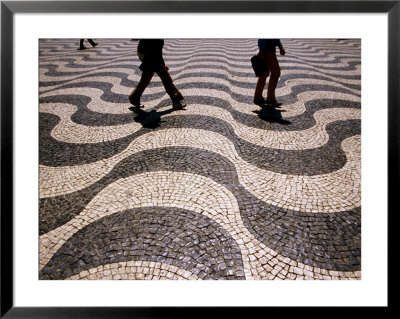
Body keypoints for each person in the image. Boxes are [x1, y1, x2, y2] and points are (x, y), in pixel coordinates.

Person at [128, 39, 186, 109]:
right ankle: (176, 101)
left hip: (156, 61)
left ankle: (134, 98)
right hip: (151, 62)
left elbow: (158, 52)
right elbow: (144, 49)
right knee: (165, 81)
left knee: (164, 81)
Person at [253, 39, 285, 107]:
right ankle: (270, 98)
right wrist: (261, 50)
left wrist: (280, 46)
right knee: (276, 73)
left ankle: (258, 97)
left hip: (268, 49)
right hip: (267, 50)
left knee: (264, 74)